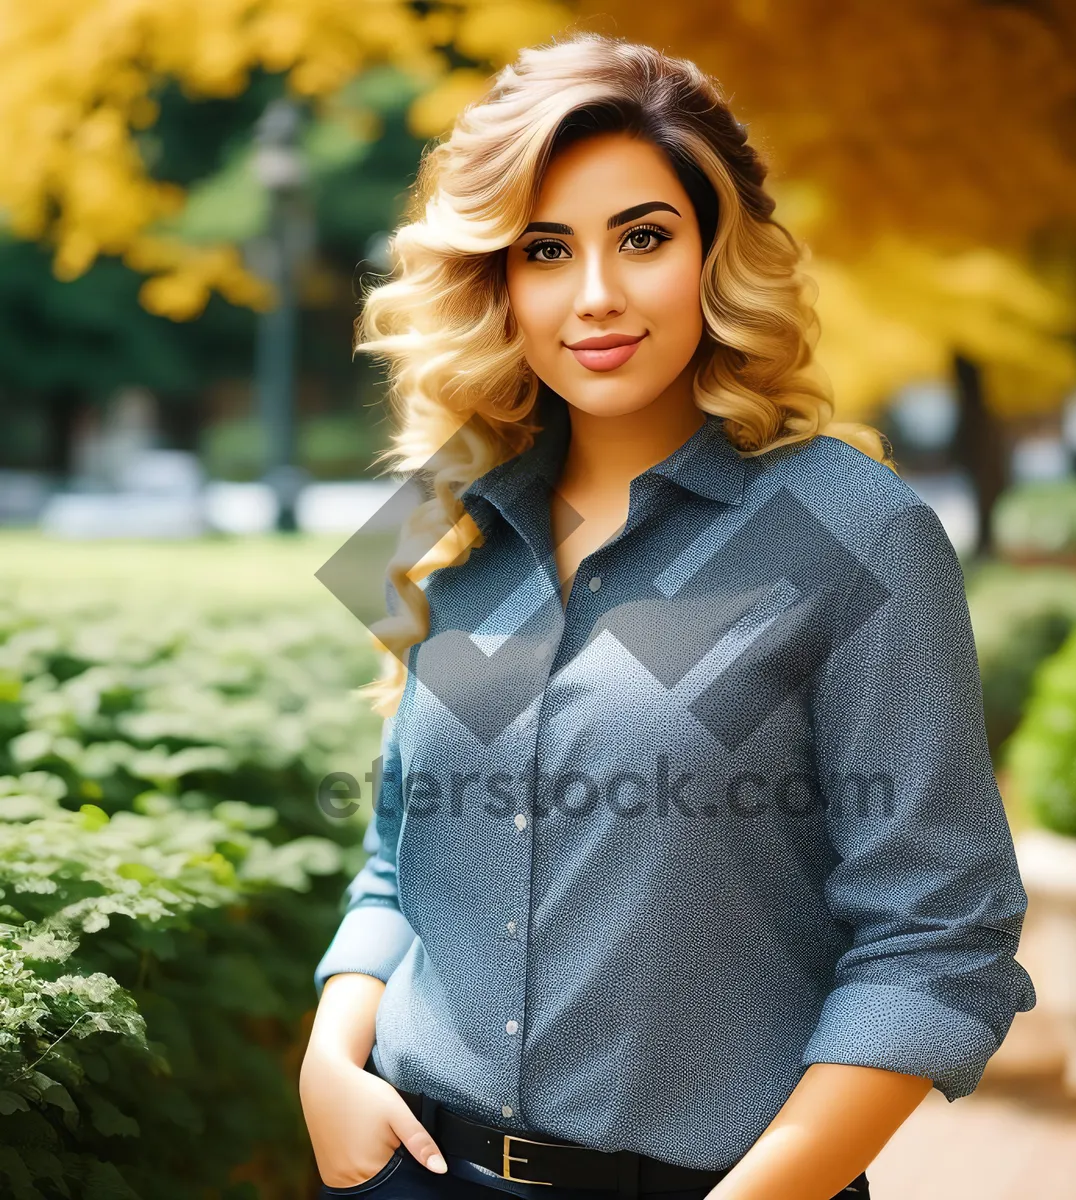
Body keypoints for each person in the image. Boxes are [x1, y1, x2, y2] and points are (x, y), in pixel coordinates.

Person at [300, 32, 1036, 1200]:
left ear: (714, 253)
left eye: (643, 237)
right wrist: (328, 1055)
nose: (595, 295)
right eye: (547, 249)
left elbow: (939, 936)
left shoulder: (860, 531)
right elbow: (402, 850)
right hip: (411, 1164)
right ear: (497, 277)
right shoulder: (430, 516)